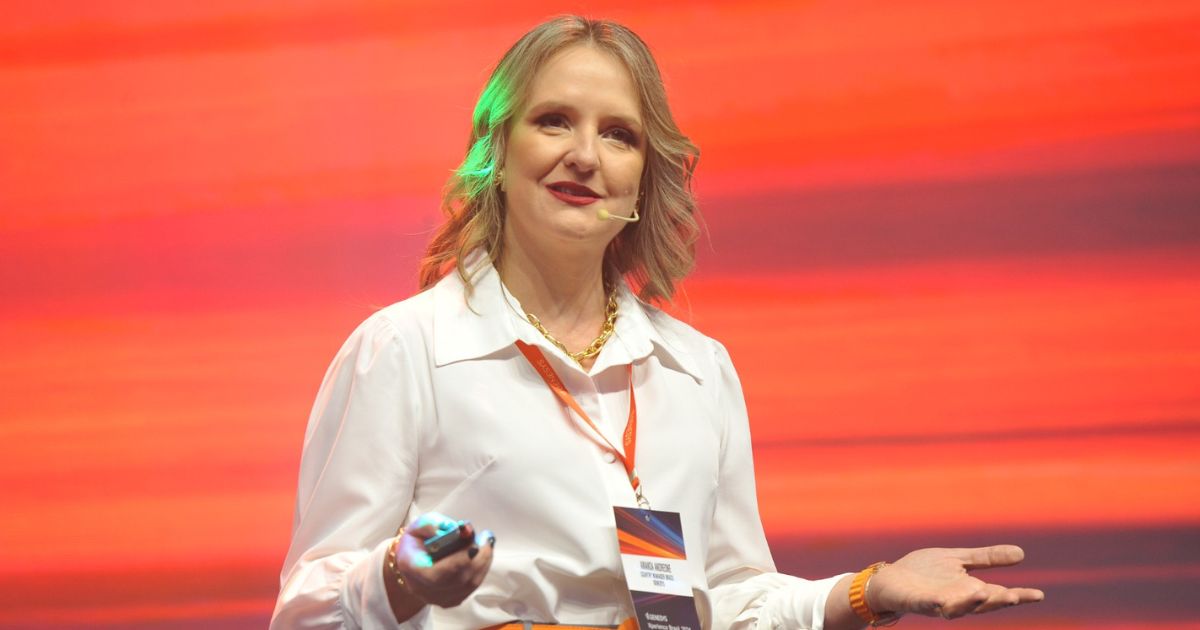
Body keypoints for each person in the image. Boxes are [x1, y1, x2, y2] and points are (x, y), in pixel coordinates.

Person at [271, 15, 1044, 630]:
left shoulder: (697, 369)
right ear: (495, 152)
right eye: (552, 121)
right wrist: (398, 578)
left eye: (618, 134)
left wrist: (872, 591)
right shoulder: (404, 351)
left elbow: (735, 603)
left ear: (645, 175)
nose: (584, 155)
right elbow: (305, 612)